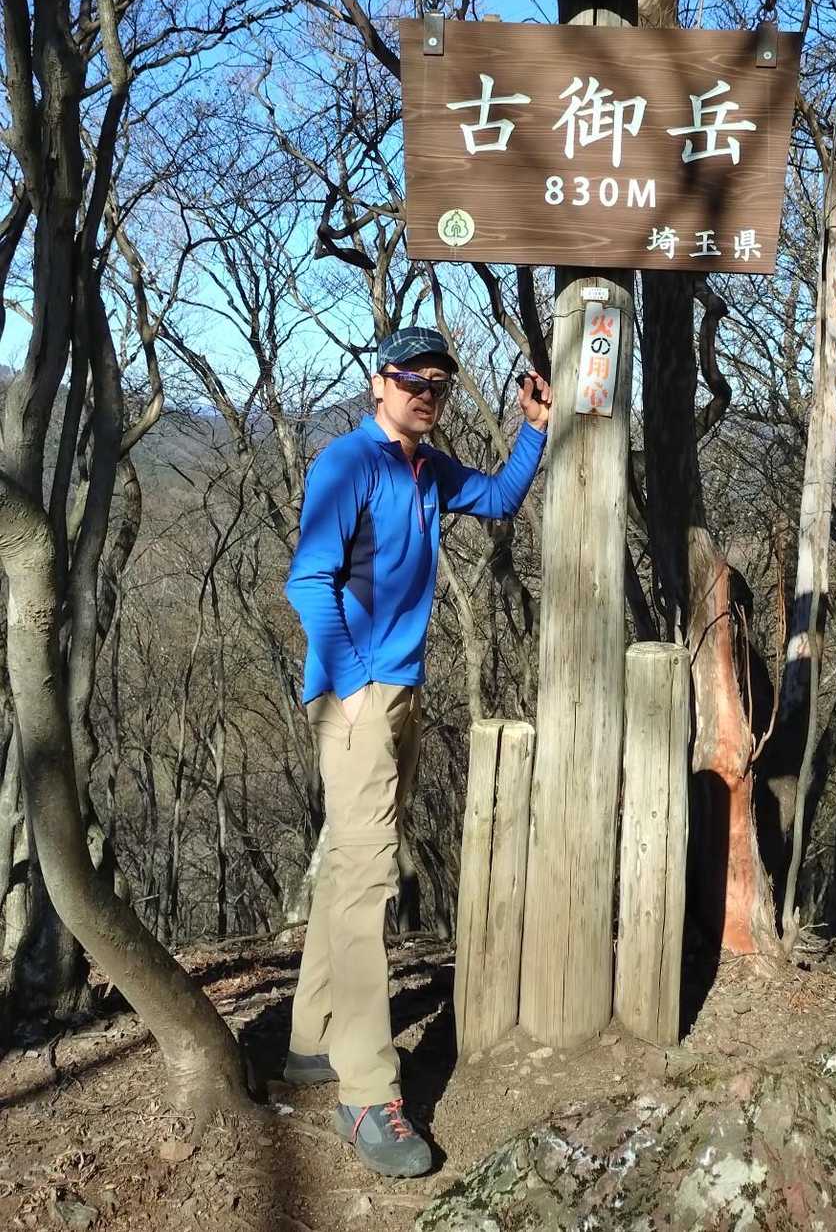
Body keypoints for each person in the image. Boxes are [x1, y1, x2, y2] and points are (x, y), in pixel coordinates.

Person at [282, 326, 551, 1178]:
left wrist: (534, 430)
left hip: (399, 691)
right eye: (411, 379)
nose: (426, 393)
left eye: (438, 382)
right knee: (370, 882)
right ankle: (366, 1093)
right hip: (358, 695)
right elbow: (307, 581)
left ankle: (309, 1040)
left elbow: (498, 500)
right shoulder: (347, 464)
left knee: (350, 865)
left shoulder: (428, 469)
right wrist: (355, 681)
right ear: (379, 383)